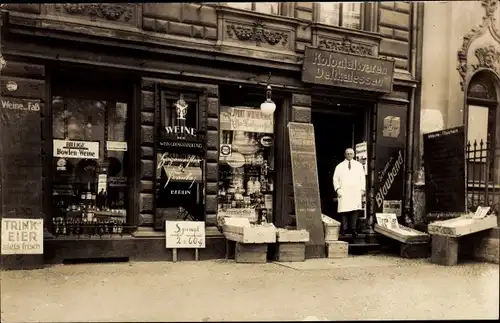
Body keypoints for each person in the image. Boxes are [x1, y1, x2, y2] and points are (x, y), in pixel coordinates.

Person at [333, 148, 366, 238]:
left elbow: (362, 178)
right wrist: (338, 189)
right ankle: (344, 229)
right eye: (347, 153)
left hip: (355, 191)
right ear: (345, 154)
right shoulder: (339, 166)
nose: (349, 155)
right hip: (344, 191)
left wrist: (362, 189)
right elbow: (335, 179)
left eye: (351, 154)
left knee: (354, 210)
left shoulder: (359, 165)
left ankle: (353, 229)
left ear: (354, 154)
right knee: (344, 211)